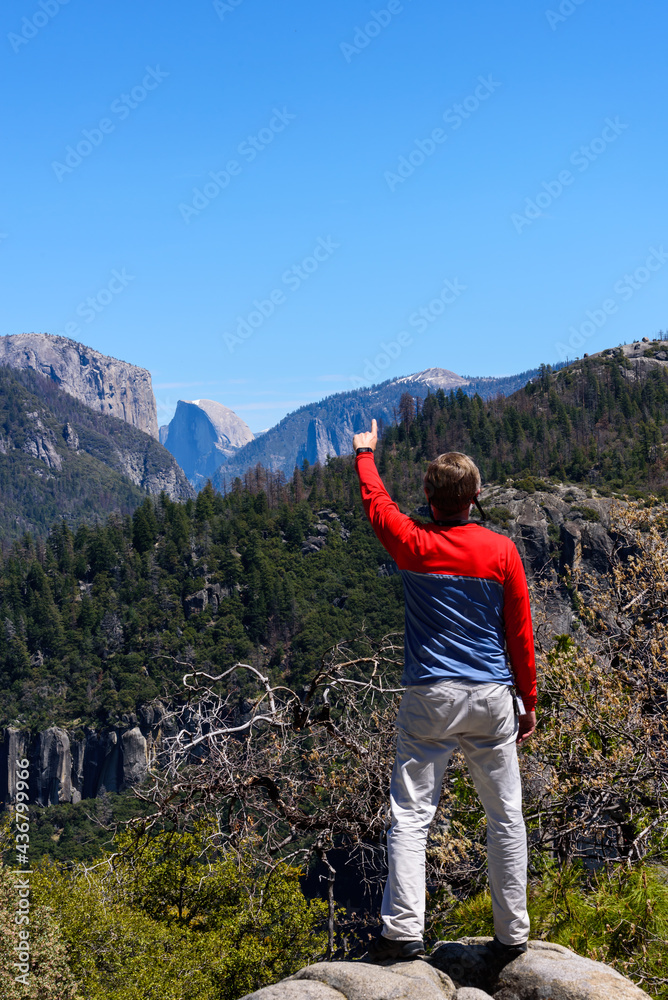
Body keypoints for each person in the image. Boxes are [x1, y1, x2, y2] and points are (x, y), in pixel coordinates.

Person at [352, 419, 537, 963]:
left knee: (411, 814)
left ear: (429, 498)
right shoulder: (502, 552)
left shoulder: (414, 543)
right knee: (505, 815)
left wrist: (366, 454)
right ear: (476, 497)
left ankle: (404, 931)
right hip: (490, 696)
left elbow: (378, 506)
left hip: (429, 696)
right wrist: (527, 700)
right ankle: (513, 934)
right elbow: (520, 633)